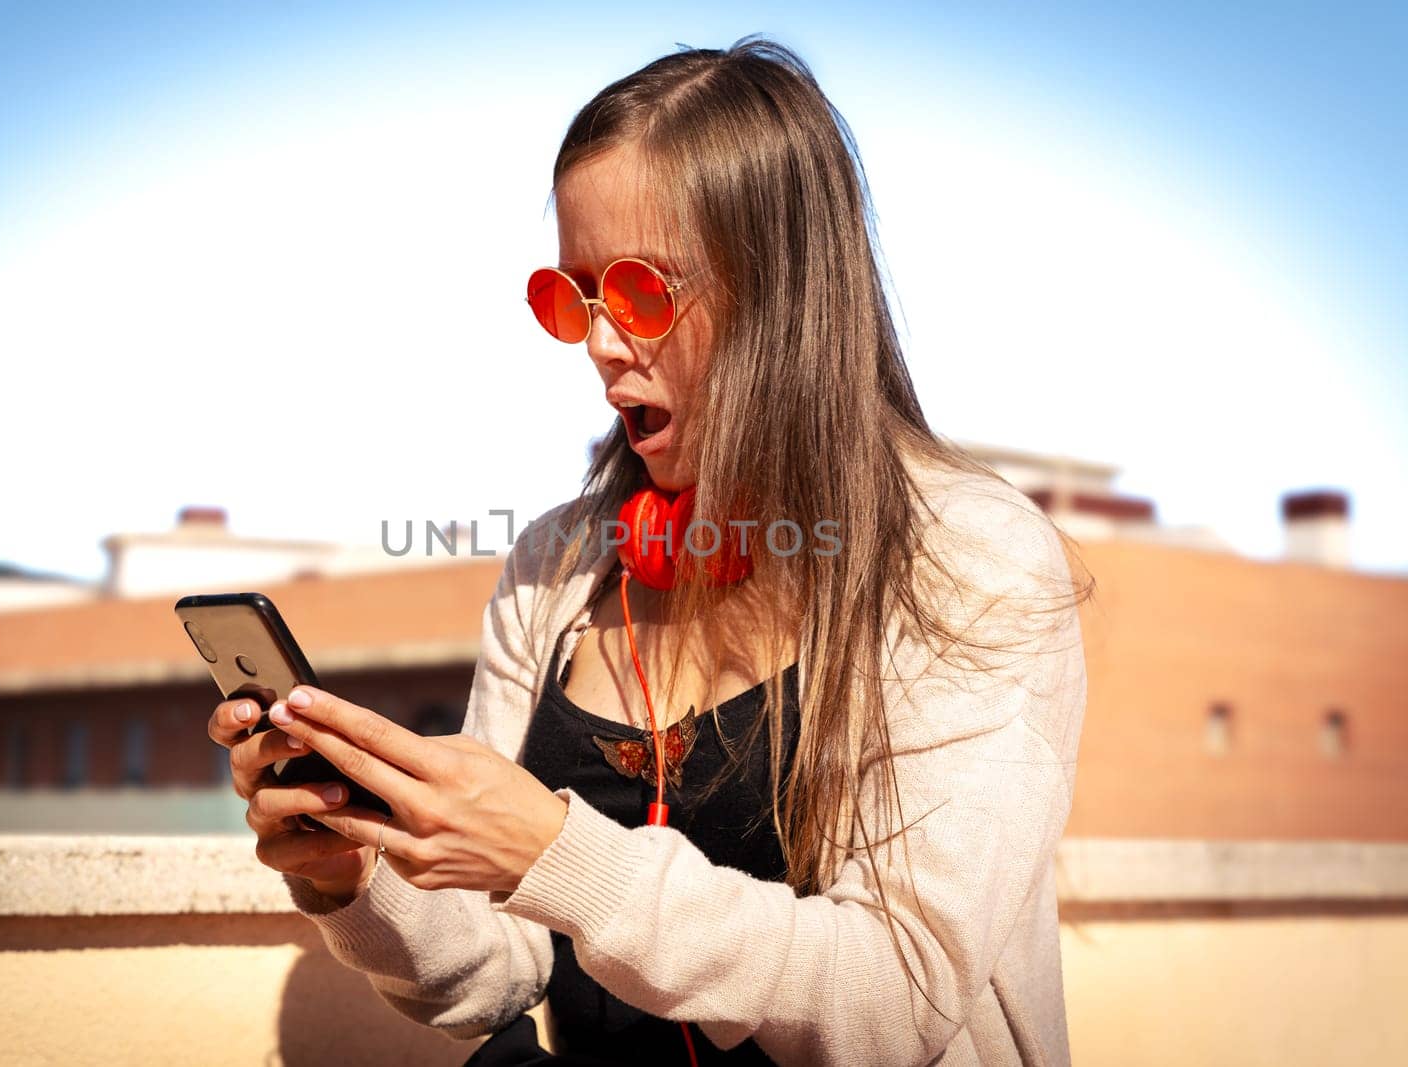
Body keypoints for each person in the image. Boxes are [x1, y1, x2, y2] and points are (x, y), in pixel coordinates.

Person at [208, 36, 1092, 1067]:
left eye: (636, 290)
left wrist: (556, 850)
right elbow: (495, 970)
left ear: (782, 291)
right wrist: (351, 874)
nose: (597, 341)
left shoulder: (972, 559)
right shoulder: (555, 569)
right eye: (569, 295)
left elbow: (894, 1000)